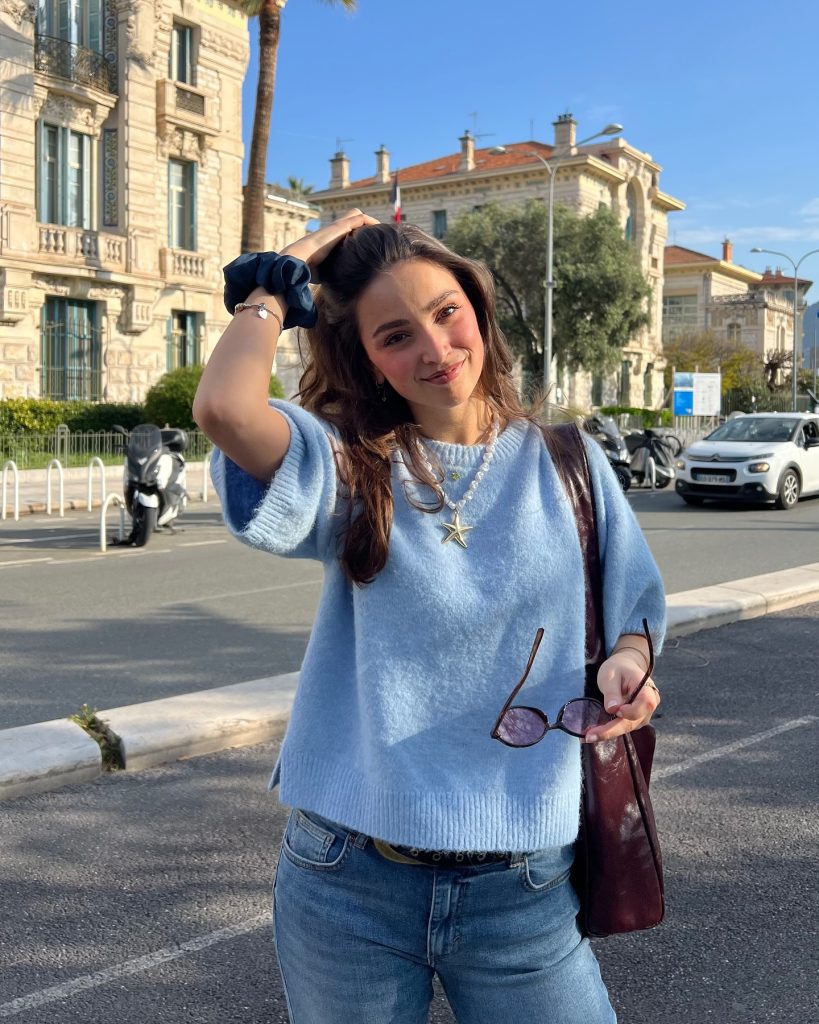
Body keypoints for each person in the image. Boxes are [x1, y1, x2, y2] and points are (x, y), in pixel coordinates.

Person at [193, 209, 665, 1024]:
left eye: (447, 314)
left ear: (478, 311)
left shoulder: (571, 464)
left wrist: (629, 667)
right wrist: (280, 280)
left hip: (524, 882)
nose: (435, 349)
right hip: (347, 879)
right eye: (394, 334)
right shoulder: (350, 465)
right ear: (368, 361)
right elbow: (227, 410)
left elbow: (633, 615)